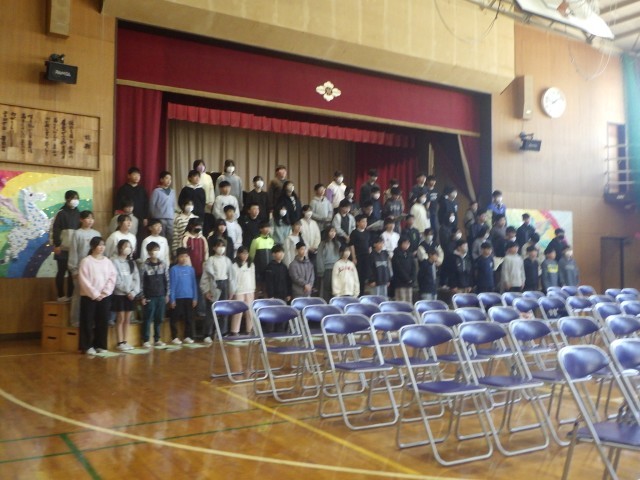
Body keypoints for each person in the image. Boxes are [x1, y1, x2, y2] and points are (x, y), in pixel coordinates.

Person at [78, 237, 116, 355]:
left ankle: (101, 345)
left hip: (104, 297)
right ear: (93, 247)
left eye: (103, 245)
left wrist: (104, 293)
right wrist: (95, 294)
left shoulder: (107, 261)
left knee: (103, 321)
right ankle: (87, 346)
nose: (101, 247)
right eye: (99, 245)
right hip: (89, 297)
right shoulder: (86, 261)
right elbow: (83, 280)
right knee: (87, 321)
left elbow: (112, 277)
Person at [68, 210, 101, 327]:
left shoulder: (96, 233)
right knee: (78, 295)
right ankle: (75, 320)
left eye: (92, 218)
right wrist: (74, 270)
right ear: (81, 220)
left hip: (94, 270)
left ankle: (90, 320)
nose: (90, 220)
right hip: (80, 269)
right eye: (88, 218)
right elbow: (73, 252)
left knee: (92, 295)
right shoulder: (77, 234)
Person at [201, 238, 235, 339]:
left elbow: (232, 277)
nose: (221, 248)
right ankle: (207, 334)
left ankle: (222, 332)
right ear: (214, 248)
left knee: (224, 310)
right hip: (214, 284)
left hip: (225, 284)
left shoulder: (227, 260)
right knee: (211, 310)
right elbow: (205, 277)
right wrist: (206, 291)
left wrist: (231, 290)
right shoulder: (211, 260)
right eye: (218, 246)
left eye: (223, 246)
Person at [51, 189, 81, 302]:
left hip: (74, 249)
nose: (75, 200)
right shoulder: (61, 213)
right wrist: (57, 244)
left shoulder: (78, 213)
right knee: (61, 271)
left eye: (77, 198)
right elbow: (55, 229)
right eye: (73, 198)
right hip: (62, 248)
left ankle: (70, 295)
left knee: (71, 272)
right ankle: (60, 295)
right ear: (67, 199)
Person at [111, 239, 140, 351]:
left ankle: (125, 341)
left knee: (128, 318)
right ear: (120, 248)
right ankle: (119, 342)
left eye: (129, 246)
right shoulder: (115, 262)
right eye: (125, 246)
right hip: (120, 294)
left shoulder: (132, 263)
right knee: (121, 318)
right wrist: (127, 291)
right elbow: (116, 280)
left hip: (131, 295)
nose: (128, 248)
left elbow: (136, 279)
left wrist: (133, 292)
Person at [140, 241, 169, 348]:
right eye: (152, 250)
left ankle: (157, 339)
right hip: (149, 296)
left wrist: (167, 294)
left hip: (161, 295)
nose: (154, 252)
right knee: (148, 318)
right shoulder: (144, 265)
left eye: (156, 250)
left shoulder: (163, 264)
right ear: (148, 252)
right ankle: (146, 339)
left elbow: (167, 280)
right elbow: (141, 282)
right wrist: (142, 296)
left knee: (159, 318)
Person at [169, 247, 198, 345]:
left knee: (189, 318)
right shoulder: (174, 269)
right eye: (181, 256)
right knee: (175, 318)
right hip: (178, 297)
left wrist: (195, 298)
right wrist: (172, 299)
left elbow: (194, 284)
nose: (184, 258)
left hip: (189, 297)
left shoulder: (191, 269)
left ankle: (187, 336)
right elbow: (172, 285)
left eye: (186, 256)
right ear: (177, 257)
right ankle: (174, 337)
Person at [182, 218, 208, 317]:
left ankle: (201, 311)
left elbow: (206, 253)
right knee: (190, 291)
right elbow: (184, 254)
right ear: (191, 226)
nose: (199, 227)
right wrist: (189, 268)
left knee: (200, 291)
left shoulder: (203, 239)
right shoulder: (185, 238)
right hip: (189, 270)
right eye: (197, 225)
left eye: (200, 226)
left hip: (201, 270)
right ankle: (189, 312)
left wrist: (205, 266)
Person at [264, 245, 292, 332]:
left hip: (283, 295)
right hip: (273, 296)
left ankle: (281, 331)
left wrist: (288, 293)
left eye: (282, 252)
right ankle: (270, 332)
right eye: (279, 252)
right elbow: (269, 283)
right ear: (273, 254)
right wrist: (270, 295)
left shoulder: (284, 267)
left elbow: (288, 281)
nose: (281, 254)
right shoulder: (270, 267)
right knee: (272, 314)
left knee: (282, 314)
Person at [114, 167, 148, 234]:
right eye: (134, 174)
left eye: (138, 175)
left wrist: (145, 217)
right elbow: (118, 203)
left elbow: (146, 204)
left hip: (140, 217)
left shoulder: (142, 190)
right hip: (126, 217)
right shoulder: (122, 189)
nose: (137, 177)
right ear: (129, 176)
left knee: (140, 235)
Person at [229, 246, 255, 336]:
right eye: (243, 253)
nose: (245, 255)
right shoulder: (234, 265)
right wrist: (232, 291)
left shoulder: (251, 264)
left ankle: (249, 330)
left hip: (249, 290)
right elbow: (233, 280)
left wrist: (253, 289)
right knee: (238, 311)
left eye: (246, 253)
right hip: (239, 290)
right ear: (238, 254)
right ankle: (235, 331)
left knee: (250, 311)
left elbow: (253, 278)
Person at [149, 171, 176, 247]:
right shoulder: (157, 191)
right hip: (160, 218)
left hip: (170, 218)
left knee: (170, 237)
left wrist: (173, 215)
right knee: (161, 236)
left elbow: (173, 204)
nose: (169, 180)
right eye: (167, 178)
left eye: (170, 179)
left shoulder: (172, 191)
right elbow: (152, 205)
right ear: (161, 179)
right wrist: (153, 217)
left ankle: (168, 252)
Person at [249, 221, 275, 294]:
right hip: (259, 268)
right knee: (258, 287)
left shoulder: (271, 240)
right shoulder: (256, 240)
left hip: (269, 268)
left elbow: (273, 254)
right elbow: (251, 255)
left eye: (268, 227)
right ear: (260, 229)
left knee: (267, 288)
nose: (267, 229)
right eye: (265, 227)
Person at [316, 227, 341, 302]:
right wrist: (321, 271)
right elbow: (319, 257)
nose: (333, 233)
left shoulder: (337, 244)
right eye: (331, 231)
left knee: (335, 288)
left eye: (334, 231)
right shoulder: (322, 244)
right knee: (326, 289)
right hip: (327, 269)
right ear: (327, 232)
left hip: (336, 269)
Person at [350, 214, 371, 295]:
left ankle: (362, 294)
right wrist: (354, 257)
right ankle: (356, 294)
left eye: (366, 221)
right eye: (363, 221)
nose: (365, 223)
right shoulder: (354, 233)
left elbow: (369, 245)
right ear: (358, 223)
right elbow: (351, 245)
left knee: (364, 277)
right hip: (358, 257)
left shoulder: (367, 233)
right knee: (357, 276)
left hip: (366, 257)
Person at [392, 236, 415, 303]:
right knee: (401, 301)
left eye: (408, 243)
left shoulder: (410, 254)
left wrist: (412, 278)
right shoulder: (396, 254)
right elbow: (398, 268)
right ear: (400, 243)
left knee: (409, 301)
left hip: (409, 282)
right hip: (400, 282)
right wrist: (407, 278)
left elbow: (414, 267)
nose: (406, 245)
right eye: (405, 243)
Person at [425, 175, 439, 239]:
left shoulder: (436, 191)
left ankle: (434, 241)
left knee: (435, 228)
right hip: (426, 212)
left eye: (434, 181)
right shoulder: (425, 190)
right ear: (427, 181)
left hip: (434, 212)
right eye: (432, 180)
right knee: (427, 228)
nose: (433, 182)